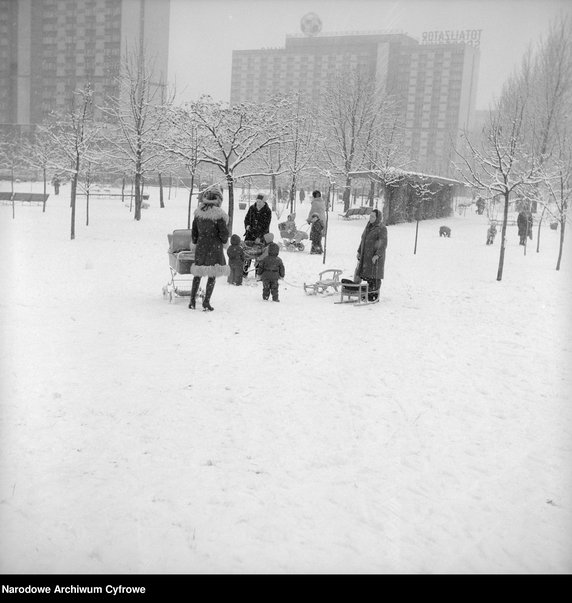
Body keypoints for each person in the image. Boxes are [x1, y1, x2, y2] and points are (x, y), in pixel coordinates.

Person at [188, 185, 230, 311]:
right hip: (214, 248)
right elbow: (224, 234)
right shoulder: (219, 215)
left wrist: (196, 243)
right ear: (219, 199)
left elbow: (194, 233)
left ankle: (192, 301)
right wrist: (224, 241)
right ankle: (206, 302)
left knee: (198, 274)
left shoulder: (198, 213)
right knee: (212, 274)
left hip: (201, 247)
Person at [355, 208, 387, 302]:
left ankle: (374, 295)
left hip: (374, 257)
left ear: (378, 218)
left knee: (375, 276)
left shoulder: (381, 228)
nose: (371, 218)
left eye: (373, 216)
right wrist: (359, 251)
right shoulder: (368, 226)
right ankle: (368, 294)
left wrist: (377, 255)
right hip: (366, 255)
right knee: (368, 275)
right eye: (370, 216)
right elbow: (363, 240)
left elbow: (383, 243)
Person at [244, 192, 272, 275]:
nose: (258, 203)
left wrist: (260, 237)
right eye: (257, 201)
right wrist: (247, 225)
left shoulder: (267, 211)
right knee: (246, 252)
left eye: (260, 202)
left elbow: (266, 225)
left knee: (260, 253)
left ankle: (258, 272)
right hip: (250, 234)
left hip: (262, 236)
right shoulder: (252, 208)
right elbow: (246, 219)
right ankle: (244, 270)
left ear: (264, 202)